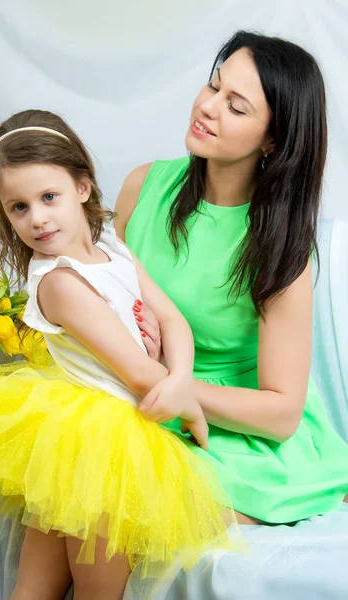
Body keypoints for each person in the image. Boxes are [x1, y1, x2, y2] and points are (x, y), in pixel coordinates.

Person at [0, 110, 239, 600]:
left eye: (48, 197)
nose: (36, 218)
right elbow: (137, 371)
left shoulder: (112, 246)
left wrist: (182, 377)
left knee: (38, 585)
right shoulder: (59, 283)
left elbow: (172, 320)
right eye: (17, 208)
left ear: (82, 187)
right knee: (95, 589)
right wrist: (189, 409)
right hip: (98, 447)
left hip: (75, 445)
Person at [115, 30, 348, 527]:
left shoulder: (280, 243)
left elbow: (281, 413)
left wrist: (172, 385)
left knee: (125, 512)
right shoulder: (144, 186)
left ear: (273, 140)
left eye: (237, 107)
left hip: (235, 432)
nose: (208, 107)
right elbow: (101, 294)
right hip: (135, 393)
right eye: (213, 86)